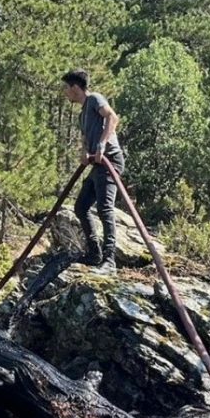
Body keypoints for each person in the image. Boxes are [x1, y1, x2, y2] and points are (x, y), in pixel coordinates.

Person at [61, 68, 123, 274]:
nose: (65, 93)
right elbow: (86, 140)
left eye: (66, 88)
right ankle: (94, 253)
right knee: (81, 207)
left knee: (105, 209)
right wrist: (84, 153)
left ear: (75, 87)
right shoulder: (82, 115)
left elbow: (112, 118)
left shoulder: (95, 99)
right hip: (97, 165)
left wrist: (102, 145)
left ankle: (109, 260)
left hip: (109, 162)